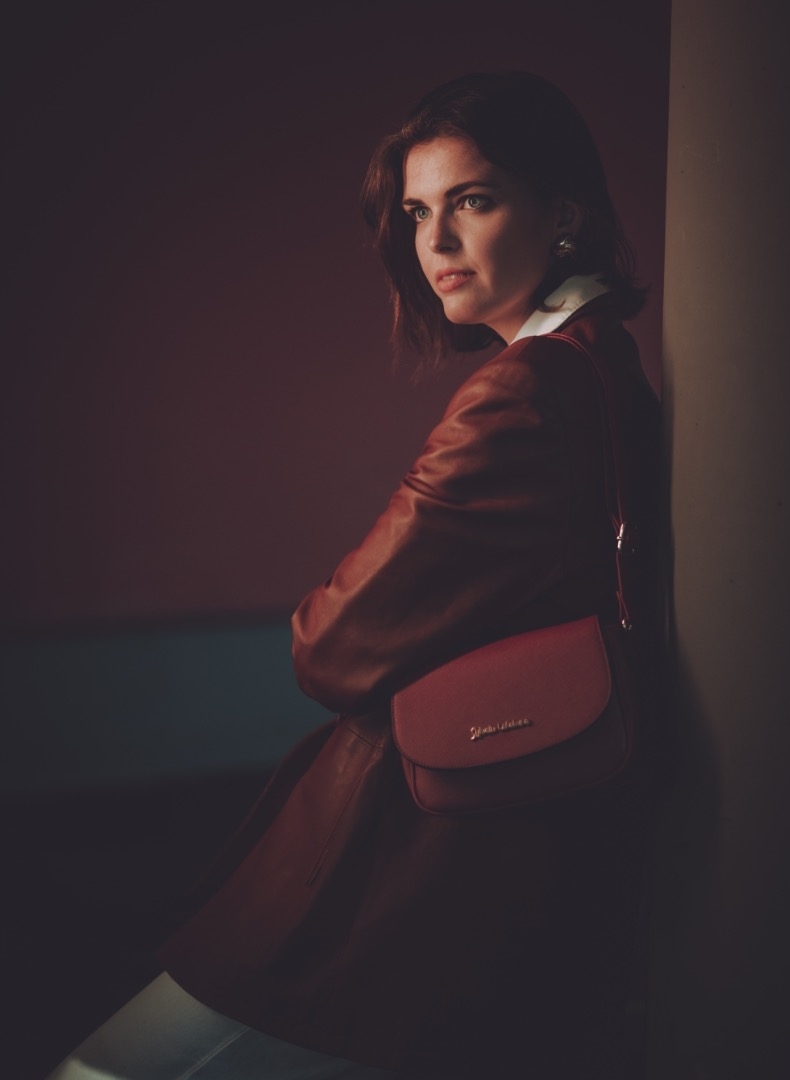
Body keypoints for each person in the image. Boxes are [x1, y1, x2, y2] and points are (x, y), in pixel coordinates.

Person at [48, 71, 661, 1080]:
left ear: (562, 213)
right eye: (418, 212)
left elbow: (328, 647)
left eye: (472, 199)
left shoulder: (524, 390)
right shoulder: (600, 357)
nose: (436, 241)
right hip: (491, 843)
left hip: (404, 864)